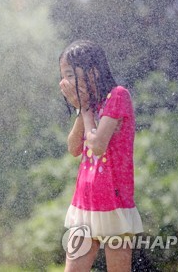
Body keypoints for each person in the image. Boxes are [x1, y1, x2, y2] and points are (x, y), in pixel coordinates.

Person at [59, 40, 143, 272]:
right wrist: (82, 109)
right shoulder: (90, 105)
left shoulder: (118, 96)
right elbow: (74, 147)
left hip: (115, 201)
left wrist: (85, 108)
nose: (64, 83)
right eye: (63, 76)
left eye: (70, 74)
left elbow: (97, 145)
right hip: (85, 201)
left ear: (93, 70)